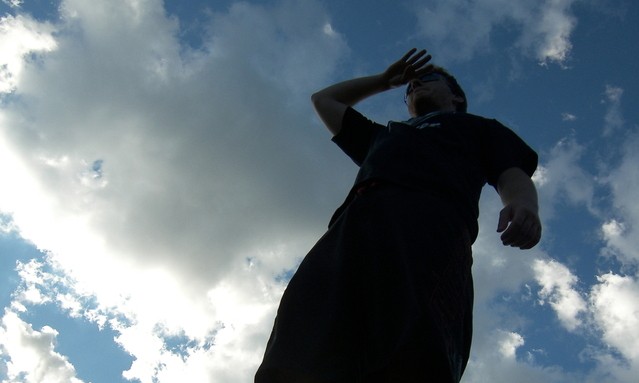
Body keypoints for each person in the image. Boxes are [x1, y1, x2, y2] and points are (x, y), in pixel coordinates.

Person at [255, 48, 542, 383]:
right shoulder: (384, 135)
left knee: (416, 340)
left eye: (427, 79)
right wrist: (382, 81)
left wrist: (524, 205)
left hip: (429, 225)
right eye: (409, 87)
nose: (415, 83)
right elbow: (325, 100)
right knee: (306, 332)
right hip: (353, 226)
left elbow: (510, 171)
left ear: (457, 97)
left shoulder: (477, 127)